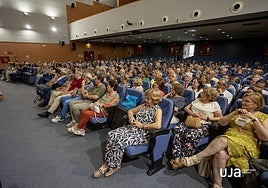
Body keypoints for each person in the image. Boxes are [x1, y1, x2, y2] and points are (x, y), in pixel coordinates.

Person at [181, 92, 268, 188]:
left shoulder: (263, 117)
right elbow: (222, 123)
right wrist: (234, 113)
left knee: (223, 140)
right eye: (243, 100)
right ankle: (217, 184)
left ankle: (196, 157)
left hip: (247, 144)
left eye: (247, 101)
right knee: (220, 153)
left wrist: (254, 119)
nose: (243, 103)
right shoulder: (237, 111)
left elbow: (264, 137)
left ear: (255, 105)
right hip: (229, 138)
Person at [93, 88, 162, 178]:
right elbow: (130, 111)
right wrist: (131, 118)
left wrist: (142, 125)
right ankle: (108, 162)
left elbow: (158, 125)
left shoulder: (157, 110)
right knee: (112, 134)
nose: (146, 100)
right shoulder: (144, 105)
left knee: (119, 141)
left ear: (154, 99)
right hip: (132, 128)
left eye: (148, 98)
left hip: (143, 134)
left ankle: (114, 166)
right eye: (146, 98)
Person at [170, 87, 222, 170]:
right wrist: (193, 114)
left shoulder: (214, 104)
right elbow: (186, 108)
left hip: (203, 124)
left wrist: (207, 118)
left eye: (204, 93)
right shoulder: (197, 100)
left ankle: (184, 159)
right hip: (191, 121)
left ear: (208, 96)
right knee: (178, 129)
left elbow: (220, 118)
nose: (201, 94)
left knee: (190, 134)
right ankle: (177, 156)